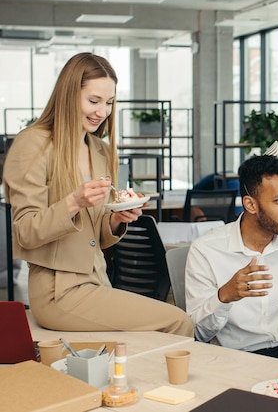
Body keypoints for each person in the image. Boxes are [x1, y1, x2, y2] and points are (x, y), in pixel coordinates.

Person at [2, 52, 193, 336]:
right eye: (93, 101)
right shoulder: (33, 143)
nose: (102, 112)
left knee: (167, 319)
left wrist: (118, 219)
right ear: (68, 95)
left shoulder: (100, 151)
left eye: (109, 103)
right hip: (58, 291)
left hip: (98, 280)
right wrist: (73, 202)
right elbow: (24, 232)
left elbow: (97, 237)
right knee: (179, 322)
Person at [185, 153, 278, 361]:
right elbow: (197, 333)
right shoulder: (206, 250)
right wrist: (225, 295)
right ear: (251, 205)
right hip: (232, 359)